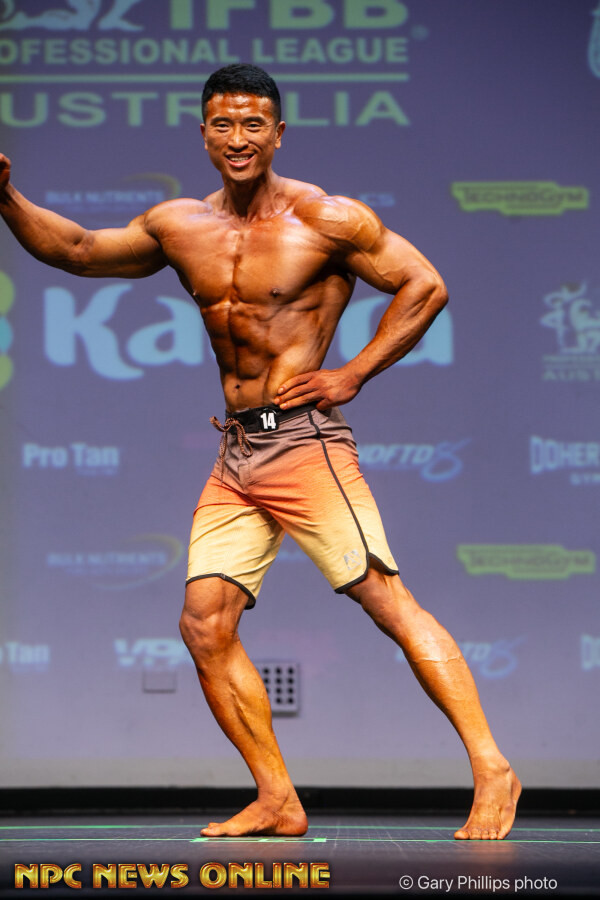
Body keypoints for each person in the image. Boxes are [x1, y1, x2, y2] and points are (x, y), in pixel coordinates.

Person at [0, 63, 520, 840]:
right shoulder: (180, 223)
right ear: (203, 134)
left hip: (307, 446)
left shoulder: (327, 218)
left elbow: (425, 285)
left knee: (386, 601)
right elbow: (77, 249)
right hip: (236, 454)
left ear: (278, 134)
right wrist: (6, 197)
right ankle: (277, 797)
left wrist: (352, 373)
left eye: (253, 124)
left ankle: (492, 768)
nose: (237, 138)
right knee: (205, 624)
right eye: (223, 124)